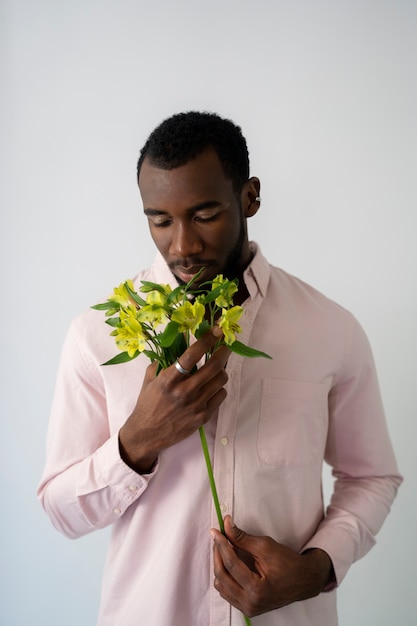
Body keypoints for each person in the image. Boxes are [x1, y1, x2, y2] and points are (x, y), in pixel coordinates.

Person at [38, 111, 402, 626]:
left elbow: (372, 477)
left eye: (204, 214)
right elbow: (60, 510)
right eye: (160, 220)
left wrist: (317, 567)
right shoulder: (96, 336)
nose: (182, 245)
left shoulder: (330, 328)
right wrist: (137, 442)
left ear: (249, 197)